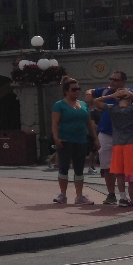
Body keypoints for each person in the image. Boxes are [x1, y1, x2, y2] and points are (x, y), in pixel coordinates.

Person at [52, 77, 99, 205]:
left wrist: (95, 139)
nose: (77, 91)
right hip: (65, 140)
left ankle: (79, 196)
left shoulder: (83, 105)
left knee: (79, 168)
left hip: (81, 140)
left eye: (78, 89)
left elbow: (89, 123)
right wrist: (56, 138)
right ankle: (63, 195)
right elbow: (55, 123)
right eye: (74, 89)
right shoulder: (59, 105)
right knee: (64, 167)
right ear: (66, 91)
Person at [88, 71, 132, 206]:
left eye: (115, 80)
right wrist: (88, 95)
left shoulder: (129, 93)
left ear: (123, 82)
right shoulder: (105, 91)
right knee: (107, 165)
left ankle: (128, 196)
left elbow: (97, 102)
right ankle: (112, 194)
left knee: (128, 169)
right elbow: (91, 92)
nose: (112, 82)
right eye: (111, 79)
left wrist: (130, 95)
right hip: (106, 133)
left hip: (128, 139)